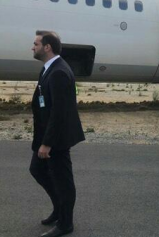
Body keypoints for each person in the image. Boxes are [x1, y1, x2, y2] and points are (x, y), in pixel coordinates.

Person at [30, 30, 85, 237]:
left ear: (47, 47)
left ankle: (65, 223)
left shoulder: (59, 72)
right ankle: (58, 209)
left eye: (36, 44)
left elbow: (60, 113)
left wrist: (47, 144)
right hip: (45, 136)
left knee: (63, 182)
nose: (32, 47)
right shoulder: (48, 69)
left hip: (57, 140)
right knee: (37, 170)